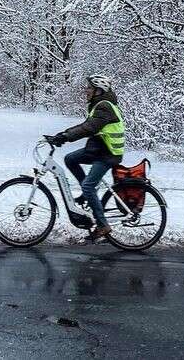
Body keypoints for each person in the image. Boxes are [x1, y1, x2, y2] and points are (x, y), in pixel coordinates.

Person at [46, 74, 125, 243]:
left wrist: (65, 137)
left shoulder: (104, 106)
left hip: (108, 153)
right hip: (99, 149)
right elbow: (85, 126)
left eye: (89, 88)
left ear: (98, 90)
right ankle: (87, 194)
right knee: (70, 159)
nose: (86, 91)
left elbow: (88, 128)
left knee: (89, 185)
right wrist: (63, 134)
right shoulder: (99, 105)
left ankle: (103, 225)